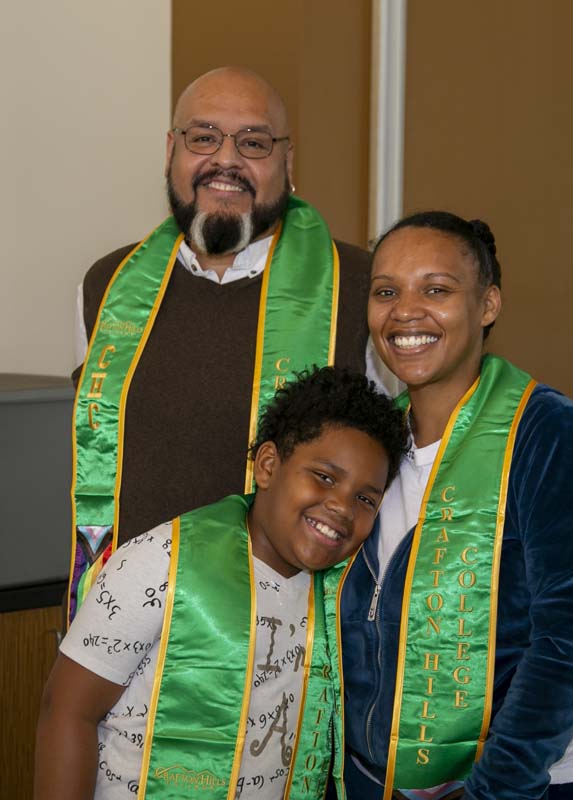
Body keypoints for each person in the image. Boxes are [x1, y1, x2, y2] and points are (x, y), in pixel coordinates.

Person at [68, 67, 390, 622]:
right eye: (203, 137)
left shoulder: (361, 287)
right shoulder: (106, 285)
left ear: (288, 164)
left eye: (254, 142)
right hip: (129, 632)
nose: (227, 160)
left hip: (291, 641)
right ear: (172, 151)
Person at [336, 212, 573, 799]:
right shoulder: (371, 444)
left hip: (526, 780)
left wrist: (496, 788)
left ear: (488, 304)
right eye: (385, 291)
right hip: (379, 774)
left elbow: (570, 643)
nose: (405, 311)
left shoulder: (551, 435)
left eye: (436, 289)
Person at [37, 367, 410, 800]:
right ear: (269, 466)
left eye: (365, 498)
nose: (342, 508)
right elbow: (67, 711)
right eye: (324, 477)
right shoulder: (161, 563)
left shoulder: (342, 596)